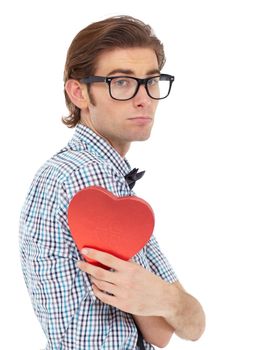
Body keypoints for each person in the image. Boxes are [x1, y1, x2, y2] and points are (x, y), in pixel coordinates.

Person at [19, 15, 205, 350]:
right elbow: (163, 332)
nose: (143, 98)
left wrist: (170, 301)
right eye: (120, 82)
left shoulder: (85, 172)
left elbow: (192, 321)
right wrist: (171, 301)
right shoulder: (88, 178)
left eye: (152, 81)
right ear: (79, 93)